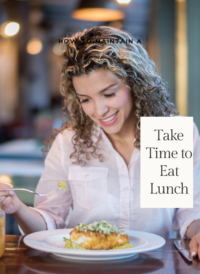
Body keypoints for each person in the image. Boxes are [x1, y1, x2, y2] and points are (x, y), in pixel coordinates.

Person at [0, 26, 200, 259]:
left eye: (109, 94)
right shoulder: (69, 143)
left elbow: (190, 213)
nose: (99, 110)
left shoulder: (168, 135)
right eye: (86, 99)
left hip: (154, 273)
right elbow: (48, 224)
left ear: (135, 83)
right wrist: (18, 209)